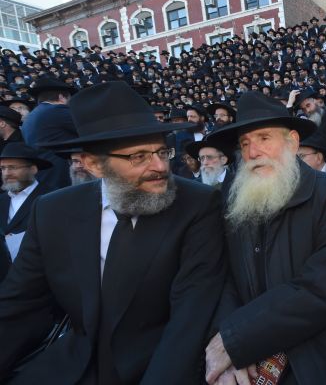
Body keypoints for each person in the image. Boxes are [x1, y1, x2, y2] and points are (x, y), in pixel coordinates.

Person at [0, 81, 226, 383]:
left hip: (158, 365)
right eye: (139, 156)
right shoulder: (53, 210)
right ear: (94, 164)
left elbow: (190, 318)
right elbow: (20, 304)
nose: (160, 166)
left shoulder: (197, 204)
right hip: (71, 363)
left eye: (162, 151)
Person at [204, 92, 326, 385]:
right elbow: (222, 278)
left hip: (311, 356)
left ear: (293, 142)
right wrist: (224, 343)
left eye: (264, 138)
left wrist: (235, 339)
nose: (252, 152)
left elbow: (324, 289)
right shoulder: (232, 197)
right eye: (245, 143)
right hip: (240, 354)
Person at [0, 143, 54, 282]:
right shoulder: (2, 200)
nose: (7, 173)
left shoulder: (52, 197)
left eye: (13, 167)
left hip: (37, 279)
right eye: (3, 168)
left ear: (33, 169)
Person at [20, 78, 78, 189]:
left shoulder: (31, 116)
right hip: (63, 173)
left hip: (44, 173)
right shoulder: (57, 110)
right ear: (61, 97)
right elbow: (86, 129)